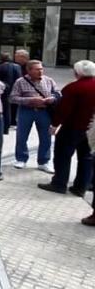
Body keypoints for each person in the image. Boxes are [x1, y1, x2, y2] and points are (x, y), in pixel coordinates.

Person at [38, 60, 95, 196]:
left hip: (72, 128)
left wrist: (54, 125)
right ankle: (81, 187)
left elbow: (64, 109)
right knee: (86, 158)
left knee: (63, 156)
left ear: (77, 73)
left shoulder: (73, 88)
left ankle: (59, 183)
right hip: (91, 129)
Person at [10, 60, 59, 172]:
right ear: (29, 70)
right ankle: (21, 159)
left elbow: (57, 93)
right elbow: (12, 98)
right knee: (22, 136)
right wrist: (30, 100)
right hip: (26, 111)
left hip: (44, 111)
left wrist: (51, 99)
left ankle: (44, 161)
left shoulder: (49, 80)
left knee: (46, 137)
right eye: (37, 69)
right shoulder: (20, 81)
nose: (40, 71)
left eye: (41, 69)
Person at [0, 53, 22, 134]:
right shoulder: (17, 66)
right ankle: (13, 122)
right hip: (16, 89)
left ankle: (5, 127)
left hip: (4, 90)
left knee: (5, 109)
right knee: (14, 107)